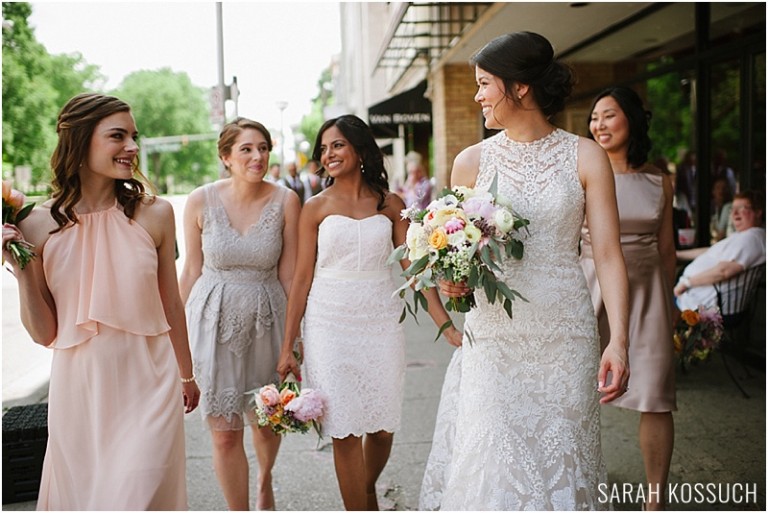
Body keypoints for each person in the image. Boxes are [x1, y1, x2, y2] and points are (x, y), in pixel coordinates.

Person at [419, 32, 630, 511]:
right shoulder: (470, 162)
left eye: (484, 84)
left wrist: (618, 339)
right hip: (494, 337)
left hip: (565, 336)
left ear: (520, 88)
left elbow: (609, 255)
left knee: (563, 465)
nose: (477, 96)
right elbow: (462, 262)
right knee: (495, 460)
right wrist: (454, 283)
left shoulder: (585, 156)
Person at [1, 93, 199, 509]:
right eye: (117, 136)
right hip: (81, 391)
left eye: (134, 136)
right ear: (80, 141)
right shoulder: (36, 224)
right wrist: (21, 270)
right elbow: (44, 332)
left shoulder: (155, 214)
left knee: (138, 495)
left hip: (150, 382)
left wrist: (186, 373)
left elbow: (171, 303)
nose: (132, 147)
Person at [276, 114, 462, 511]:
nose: (328, 154)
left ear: (360, 148)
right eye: (323, 149)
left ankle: (365, 489)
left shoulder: (389, 203)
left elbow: (414, 269)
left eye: (337, 145)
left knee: (381, 429)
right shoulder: (315, 208)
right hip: (329, 322)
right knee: (343, 429)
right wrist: (289, 345)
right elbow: (301, 279)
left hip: (380, 319)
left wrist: (444, 323)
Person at [179, 117, 300, 511]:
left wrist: (294, 339)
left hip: (268, 319)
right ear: (226, 157)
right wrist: (171, 336)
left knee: (266, 421)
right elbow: (191, 271)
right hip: (211, 321)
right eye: (247, 149)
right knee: (225, 434)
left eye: (263, 147)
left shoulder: (286, 201)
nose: (258, 156)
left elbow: (290, 274)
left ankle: (265, 482)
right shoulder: (200, 200)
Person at [581, 86, 677, 511]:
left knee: (656, 393)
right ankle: (574, 486)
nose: (598, 125)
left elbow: (667, 247)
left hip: (649, 293)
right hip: (588, 285)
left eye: (609, 116)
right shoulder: (582, 169)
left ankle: (655, 499)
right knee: (574, 389)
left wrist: (670, 304)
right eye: (594, 117)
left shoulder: (660, 179)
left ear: (632, 120)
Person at [675, 190, 765, 311]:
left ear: (758, 212)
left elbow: (724, 271)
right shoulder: (743, 236)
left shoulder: (752, 238)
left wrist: (686, 283)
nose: (735, 213)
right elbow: (711, 251)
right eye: (732, 209)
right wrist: (678, 255)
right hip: (695, 298)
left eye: (742, 208)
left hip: (703, 305)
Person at [710, 176, 734, 243]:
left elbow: (720, 235)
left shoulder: (728, 207)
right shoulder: (715, 207)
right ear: (713, 191)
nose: (721, 191)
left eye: (724, 188)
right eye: (718, 188)